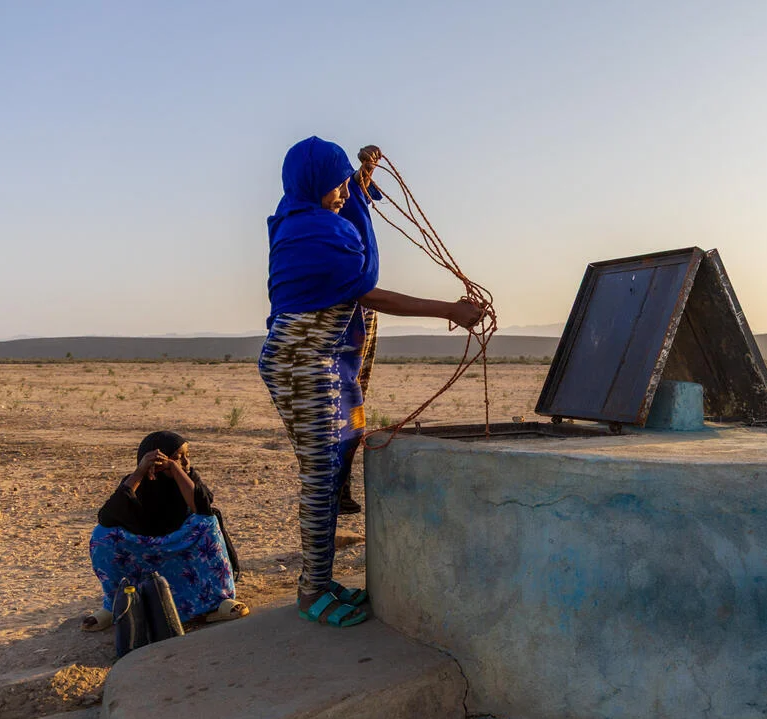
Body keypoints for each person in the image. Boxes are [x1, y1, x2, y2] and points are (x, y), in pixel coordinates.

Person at [259, 136, 484, 628]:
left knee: (339, 459)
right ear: (314, 184)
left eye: (346, 184)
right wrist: (449, 310)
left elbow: (350, 240)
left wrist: (358, 184)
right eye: (337, 184)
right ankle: (311, 591)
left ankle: (320, 579)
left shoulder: (301, 217)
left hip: (326, 364)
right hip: (305, 364)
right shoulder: (312, 232)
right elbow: (368, 283)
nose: (344, 192)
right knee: (319, 478)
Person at [81, 431, 247, 631]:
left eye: (187, 455)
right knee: (102, 534)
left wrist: (176, 469)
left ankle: (217, 602)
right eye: (177, 457)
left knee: (208, 522)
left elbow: (202, 507)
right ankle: (115, 605)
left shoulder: (188, 477)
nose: (185, 461)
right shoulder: (136, 481)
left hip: (182, 547)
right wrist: (140, 472)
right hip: (144, 549)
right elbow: (106, 517)